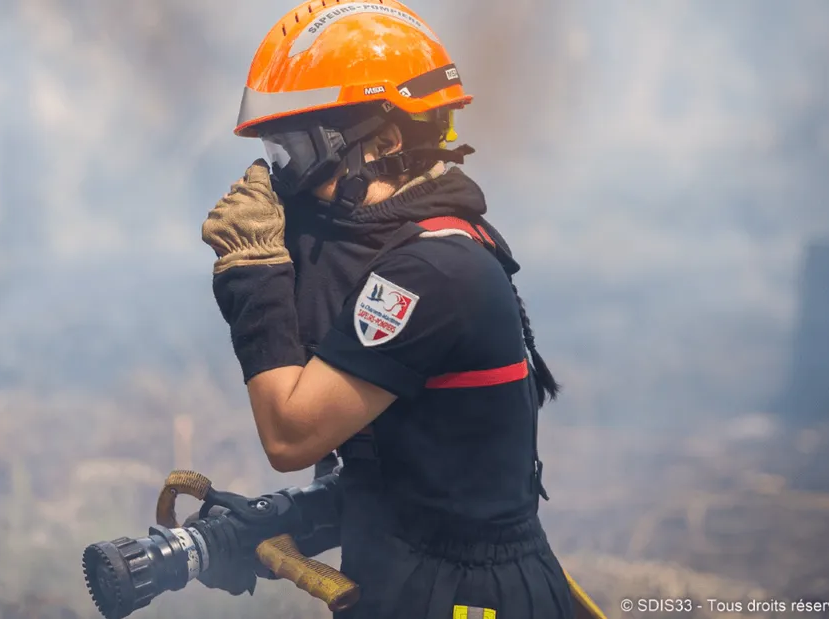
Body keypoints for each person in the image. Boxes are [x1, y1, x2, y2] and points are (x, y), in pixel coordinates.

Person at [198, 1, 574, 617]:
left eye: (298, 153)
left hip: (461, 596)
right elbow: (416, 472)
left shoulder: (429, 272)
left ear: (385, 142)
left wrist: (253, 274)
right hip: (415, 575)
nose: (281, 180)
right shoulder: (422, 245)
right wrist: (286, 520)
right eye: (275, 153)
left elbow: (290, 435)